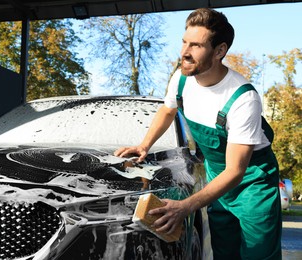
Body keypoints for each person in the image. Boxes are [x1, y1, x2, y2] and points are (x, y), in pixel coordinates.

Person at [114, 8, 281, 260]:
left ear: (219, 51)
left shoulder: (243, 98)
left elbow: (236, 170)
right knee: (224, 251)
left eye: (195, 45)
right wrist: (145, 145)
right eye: (183, 42)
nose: (184, 52)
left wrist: (186, 206)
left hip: (251, 181)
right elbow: (167, 110)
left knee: (257, 253)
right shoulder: (181, 79)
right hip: (217, 175)